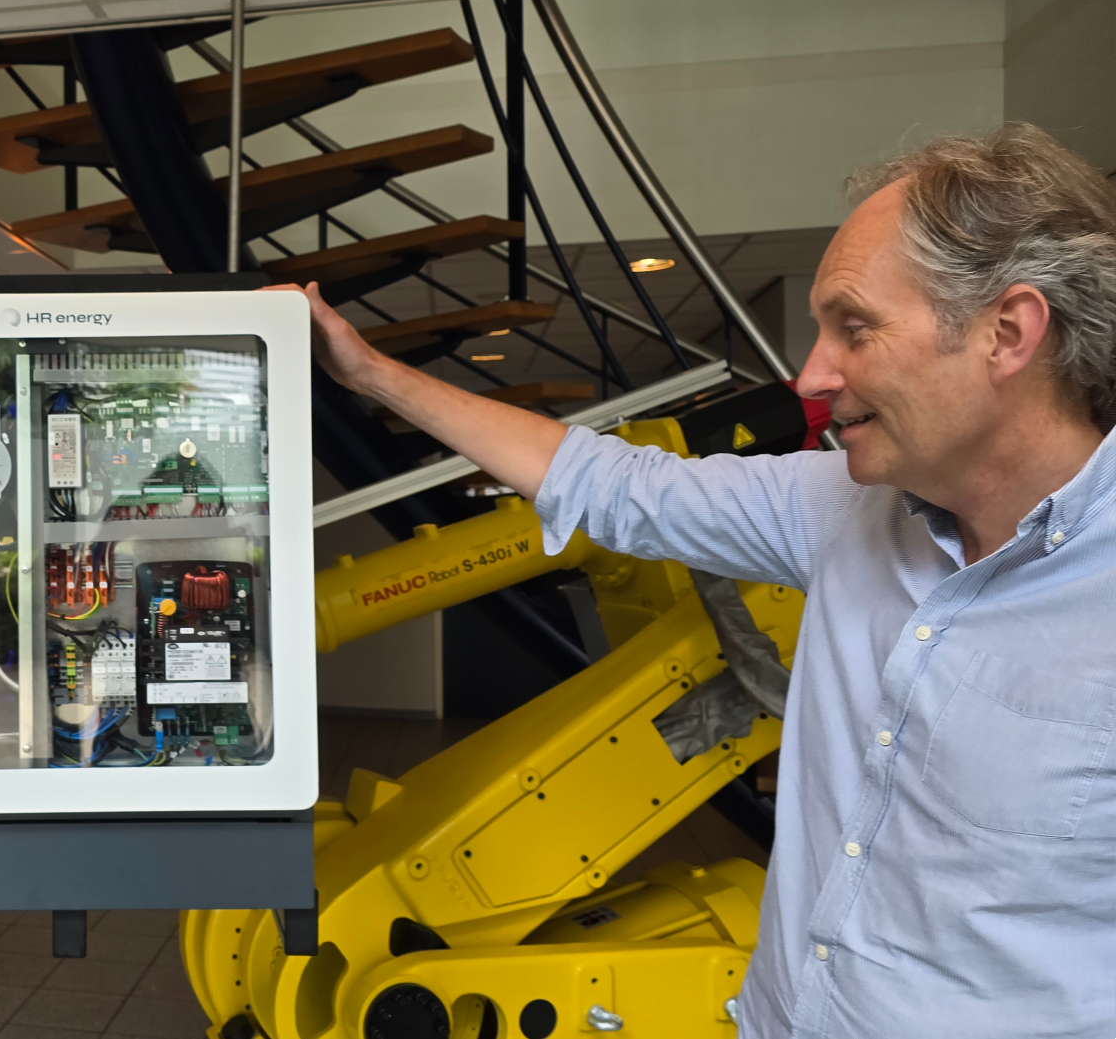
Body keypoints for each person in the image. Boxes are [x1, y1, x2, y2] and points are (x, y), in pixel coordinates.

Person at [293, 123, 1116, 1037]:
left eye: (856, 327)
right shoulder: (838, 506)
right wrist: (368, 374)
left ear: (1007, 332)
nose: (812, 374)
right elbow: (609, 483)